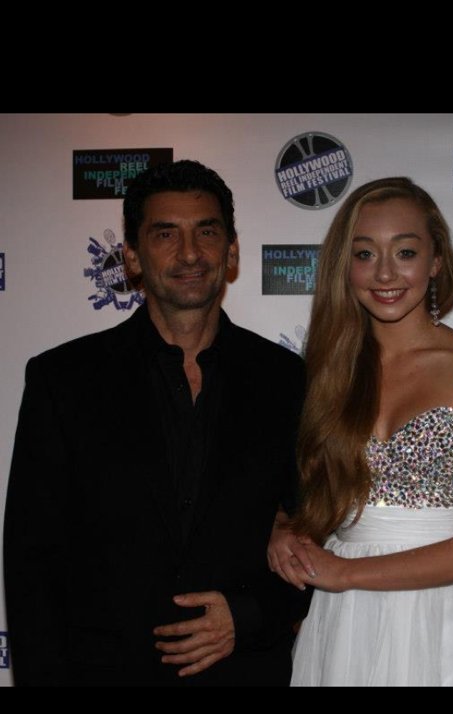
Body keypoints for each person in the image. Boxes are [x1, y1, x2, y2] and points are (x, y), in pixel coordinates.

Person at [3, 159, 307, 686]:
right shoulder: (63, 379)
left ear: (232, 250)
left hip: (244, 673)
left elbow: (323, 534)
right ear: (132, 257)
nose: (189, 253)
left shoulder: (288, 380)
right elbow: (32, 562)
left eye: (206, 232)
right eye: (165, 234)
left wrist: (249, 615)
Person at [268, 176, 453, 686]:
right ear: (346, 266)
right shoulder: (325, 372)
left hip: (445, 615)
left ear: (436, 261)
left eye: (405, 251)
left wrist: (345, 574)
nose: (384, 272)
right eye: (364, 254)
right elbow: (308, 499)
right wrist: (282, 528)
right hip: (343, 620)